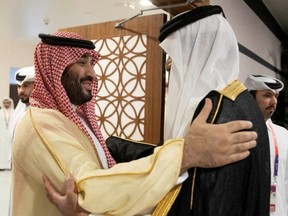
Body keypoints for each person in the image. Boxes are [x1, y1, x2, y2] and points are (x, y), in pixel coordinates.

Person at [11, 30, 257, 216]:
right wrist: (186, 154)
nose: (92, 73)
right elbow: (90, 188)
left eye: (92, 63)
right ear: (56, 66)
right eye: (81, 62)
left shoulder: (72, 119)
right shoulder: (40, 124)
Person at [245, 74, 288, 216]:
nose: (273, 101)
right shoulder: (239, 131)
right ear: (251, 97)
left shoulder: (284, 135)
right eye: (267, 95)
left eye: (276, 96)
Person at [8, 66, 35, 166]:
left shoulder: (43, 111)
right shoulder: (19, 109)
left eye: (26, 86)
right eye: (19, 86)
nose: (21, 91)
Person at [0, 98, 14, 170]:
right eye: (5, 103)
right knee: (1, 149)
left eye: (8, 103)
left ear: (10, 103)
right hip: (1, 133)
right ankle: (1, 165)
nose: (6, 104)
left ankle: (9, 165)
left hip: (10, 133)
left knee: (10, 148)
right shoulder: (0, 112)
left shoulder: (14, 112)